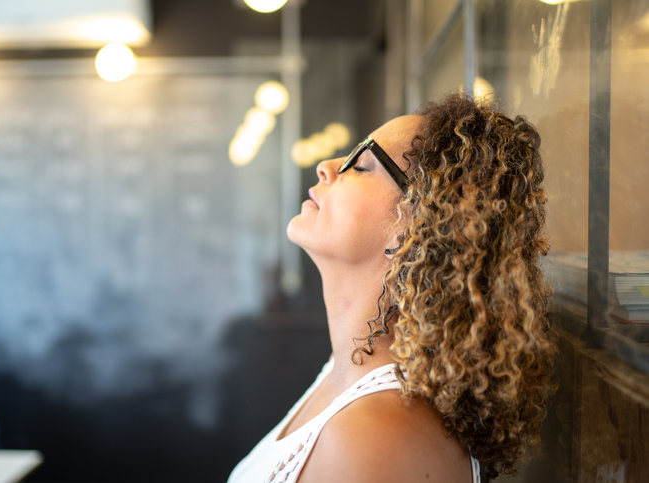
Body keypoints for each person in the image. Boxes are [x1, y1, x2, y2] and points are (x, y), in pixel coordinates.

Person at [228, 94, 557, 483]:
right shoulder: (344, 372)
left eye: (362, 165)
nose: (326, 167)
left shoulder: (375, 439)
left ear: (415, 228)